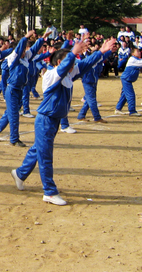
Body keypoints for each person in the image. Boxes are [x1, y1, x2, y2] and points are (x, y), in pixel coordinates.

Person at [11, 38, 114, 205]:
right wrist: (73, 52)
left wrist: (101, 51)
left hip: (54, 120)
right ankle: (49, 192)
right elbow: (68, 64)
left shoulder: (67, 73)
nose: (74, 63)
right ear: (60, 61)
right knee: (45, 156)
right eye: (70, 60)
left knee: (39, 149)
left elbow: (85, 64)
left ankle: (20, 173)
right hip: (45, 120)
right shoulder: (52, 74)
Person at [0, 30, 46, 147]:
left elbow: (34, 49)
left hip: (20, 90)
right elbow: (20, 48)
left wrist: (42, 38)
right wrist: (25, 37)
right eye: (24, 49)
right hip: (12, 90)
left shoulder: (25, 58)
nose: (25, 51)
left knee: (10, 113)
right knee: (14, 115)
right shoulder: (13, 58)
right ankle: (14, 139)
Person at [114, 47, 142, 116]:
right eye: (137, 51)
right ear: (133, 54)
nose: (139, 52)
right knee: (131, 95)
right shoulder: (133, 59)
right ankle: (132, 111)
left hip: (127, 79)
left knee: (124, 95)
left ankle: (118, 109)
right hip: (126, 79)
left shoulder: (137, 59)